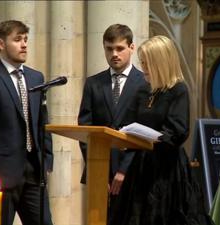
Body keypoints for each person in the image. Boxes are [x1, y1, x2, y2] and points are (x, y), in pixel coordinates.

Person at [113, 35, 214, 225]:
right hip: (141, 167)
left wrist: (154, 137)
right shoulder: (142, 91)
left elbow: (177, 132)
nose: (143, 67)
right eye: (142, 62)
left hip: (166, 170)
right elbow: (125, 122)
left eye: (147, 62)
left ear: (161, 62)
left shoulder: (178, 90)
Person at [0, 20, 53, 225]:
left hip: (34, 172)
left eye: (25, 39)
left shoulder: (36, 77)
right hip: (2, 175)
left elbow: (43, 123)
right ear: (1, 44)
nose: (24, 44)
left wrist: (47, 160)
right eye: (17, 40)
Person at [77, 24, 149, 224]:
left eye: (119, 48)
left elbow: (143, 131)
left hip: (133, 170)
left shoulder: (144, 83)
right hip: (99, 171)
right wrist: (96, 167)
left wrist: (123, 170)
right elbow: (85, 130)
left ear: (132, 47)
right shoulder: (93, 83)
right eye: (109, 49)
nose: (114, 54)